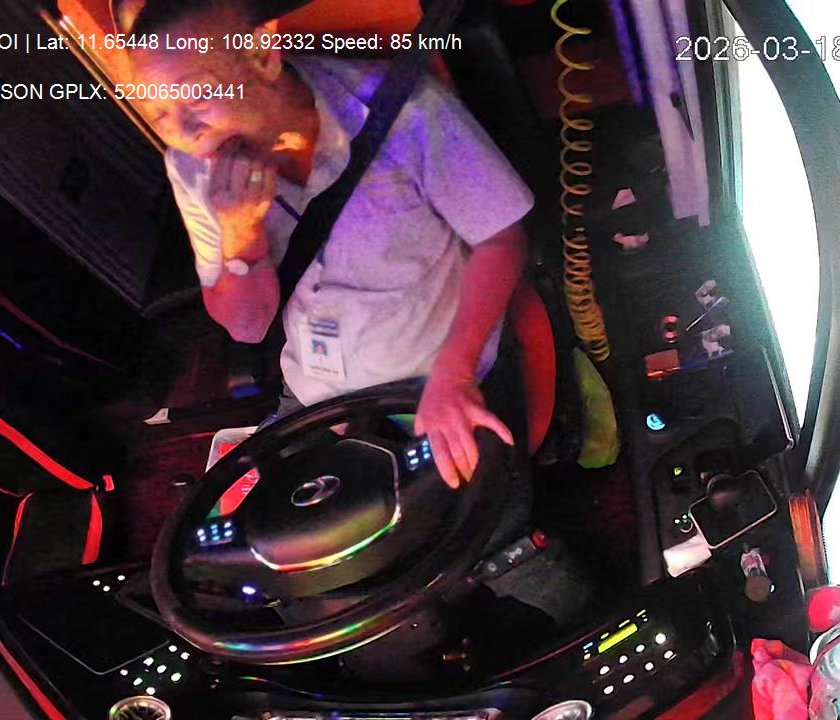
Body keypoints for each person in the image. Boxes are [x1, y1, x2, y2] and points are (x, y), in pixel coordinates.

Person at [115, 0, 535, 490]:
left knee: (455, 521)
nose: (185, 132)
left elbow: (501, 239)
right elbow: (247, 326)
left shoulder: (405, 113)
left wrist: (454, 375)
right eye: (159, 113)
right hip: (314, 397)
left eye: (199, 95)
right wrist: (240, 232)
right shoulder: (190, 167)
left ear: (263, 54)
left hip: (431, 382)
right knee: (258, 527)